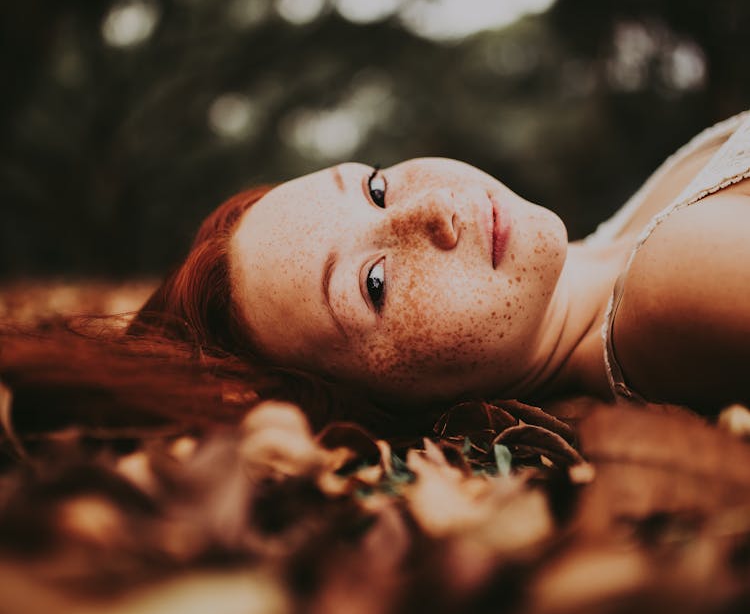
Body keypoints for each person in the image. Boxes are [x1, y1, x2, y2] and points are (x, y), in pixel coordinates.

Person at [2, 108, 750, 440]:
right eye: (374, 286)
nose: (430, 211)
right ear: (381, 403)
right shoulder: (671, 288)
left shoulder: (621, 248)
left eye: (375, 189)